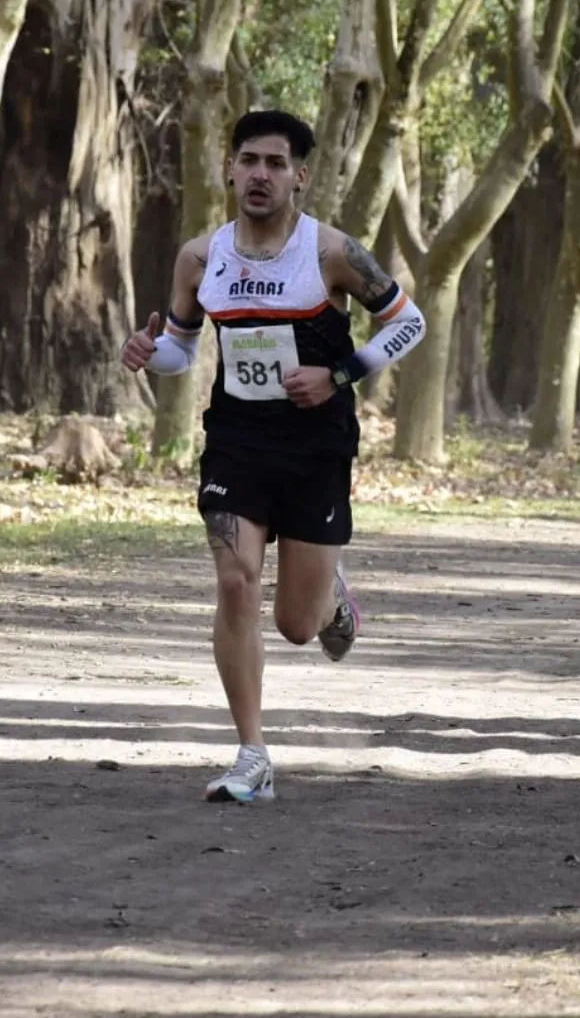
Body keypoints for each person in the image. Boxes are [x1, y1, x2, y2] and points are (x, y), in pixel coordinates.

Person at [121, 110, 426, 802]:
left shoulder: (333, 253)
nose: (260, 174)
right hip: (237, 440)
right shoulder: (202, 257)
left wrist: (340, 374)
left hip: (317, 445)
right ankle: (251, 754)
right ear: (229, 169)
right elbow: (181, 347)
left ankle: (331, 598)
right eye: (249, 160)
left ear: (300, 177)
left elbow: (409, 320)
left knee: (295, 625)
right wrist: (149, 353)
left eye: (276, 163)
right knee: (235, 584)